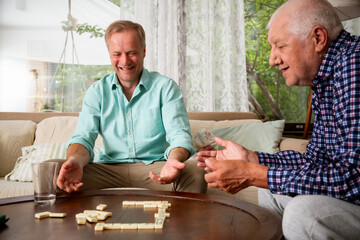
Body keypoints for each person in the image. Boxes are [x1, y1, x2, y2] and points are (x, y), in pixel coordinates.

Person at [196, 0, 360, 239]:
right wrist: (253, 159)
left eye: (279, 46)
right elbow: (317, 160)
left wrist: (254, 174)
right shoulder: (327, 78)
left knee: (302, 212)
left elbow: (354, 179)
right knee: (270, 191)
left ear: (318, 38)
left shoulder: (353, 67)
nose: (273, 59)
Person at [56, 20, 206, 194]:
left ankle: (180, 222)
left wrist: (173, 160)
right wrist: (75, 159)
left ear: (143, 51)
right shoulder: (97, 91)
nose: (124, 61)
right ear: (109, 54)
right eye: (117, 54)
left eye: (132, 53)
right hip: (109, 170)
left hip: (155, 168)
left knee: (195, 171)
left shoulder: (165, 87)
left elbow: (179, 135)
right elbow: (83, 137)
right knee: (51, 171)